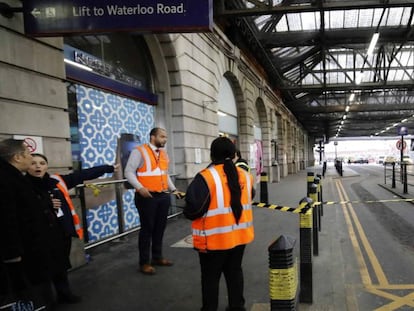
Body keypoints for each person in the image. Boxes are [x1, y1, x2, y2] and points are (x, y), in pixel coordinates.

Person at [25, 153, 117, 304]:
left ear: (47, 166)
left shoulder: (56, 181)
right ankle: (44, 301)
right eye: (33, 163)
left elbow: (83, 174)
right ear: (26, 166)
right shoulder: (23, 185)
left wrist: (108, 168)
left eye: (42, 163)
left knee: (61, 264)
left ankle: (64, 294)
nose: (38, 166)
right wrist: (45, 204)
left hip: (60, 231)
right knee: (42, 268)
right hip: (39, 234)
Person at [183, 136, 255, 311]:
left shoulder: (206, 177)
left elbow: (193, 210)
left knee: (210, 279)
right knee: (235, 273)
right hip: (239, 237)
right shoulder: (246, 176)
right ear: (234, 155)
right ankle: (237, 307)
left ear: (212, 156)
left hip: (213, 241)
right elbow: (249, 196)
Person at [0, 139, 55, 310]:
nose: (31, 159)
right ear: (17, 157)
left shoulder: (14, 177)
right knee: (24, 293)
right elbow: (6, 218)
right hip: (21, 252)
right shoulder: (6, 180)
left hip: (29, 247)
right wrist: (12, 252)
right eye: (28, 154)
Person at [124, 127, 182, 275]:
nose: (165, 140)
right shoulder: (139, 151)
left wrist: (174, 189)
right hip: (147, 197)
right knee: (147, 230)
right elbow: (128, 172)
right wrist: (139, 187)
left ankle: (157, 257)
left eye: (166, 137)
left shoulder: (163, 154)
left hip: (163, 196)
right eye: (162, 137)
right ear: (152, 137)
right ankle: (144, 263)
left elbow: (165, 174)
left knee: (160, 228)